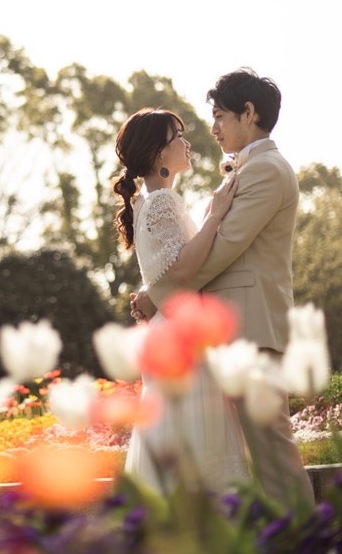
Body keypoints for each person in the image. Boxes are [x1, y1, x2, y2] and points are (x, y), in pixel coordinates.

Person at [131, 68, 314, 506]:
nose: (211, 128)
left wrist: (155, 294)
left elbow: (222, 249)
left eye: (220, 116)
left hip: (250, 330)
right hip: (228, 335)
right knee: (255, 461)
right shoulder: (245, 171)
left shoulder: (266, 170)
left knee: (273, 456)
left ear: (249, 113)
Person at [113, 107, 250, 496]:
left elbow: (165, 273)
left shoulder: (153, 203)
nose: (187, 143)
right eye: (178, 136)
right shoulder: (161, 204)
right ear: (159, 153)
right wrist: (217, 215)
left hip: (169, 332)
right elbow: (185, 269)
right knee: (199, 445)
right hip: (182, 340)